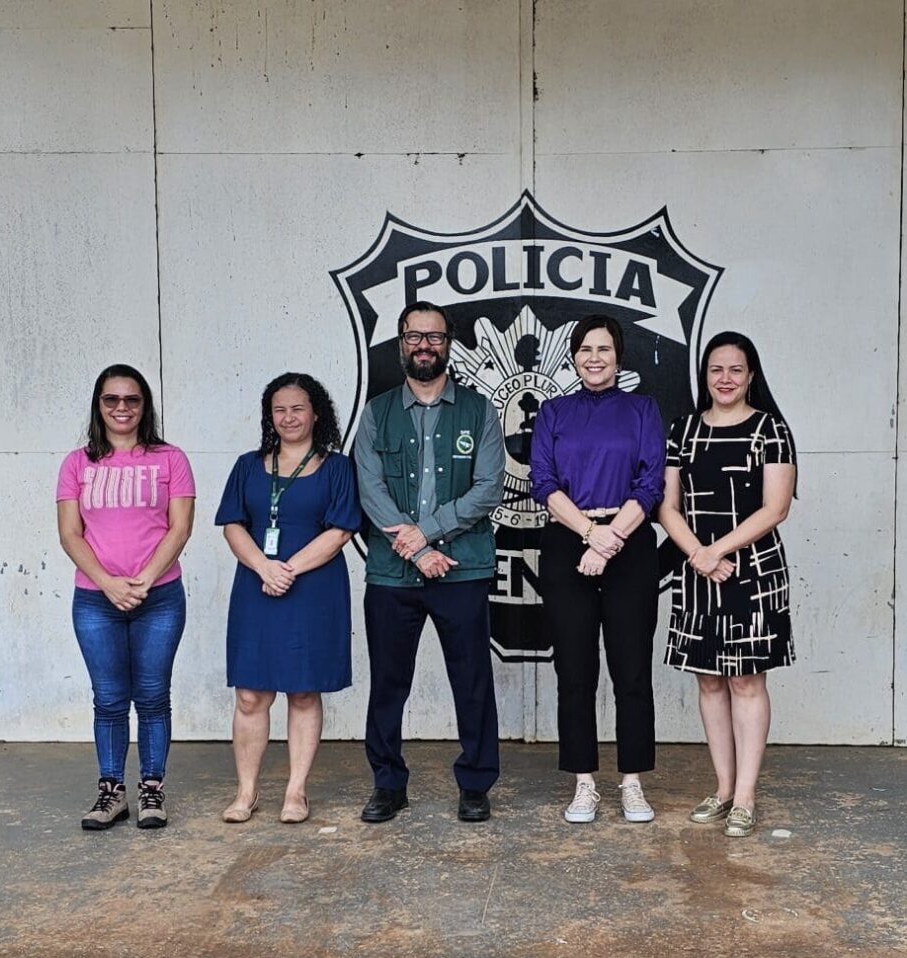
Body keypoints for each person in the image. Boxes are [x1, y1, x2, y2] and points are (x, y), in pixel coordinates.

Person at [354, 301, 505, 823]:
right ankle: (388, 784)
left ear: (449, 343)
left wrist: (432, 534)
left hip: (461, 569)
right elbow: (370, 493)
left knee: (472, 680)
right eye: (414, 336)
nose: (424, 345)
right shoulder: (376, 414)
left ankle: (476, 784)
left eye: (434, 337)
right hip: (392, 573)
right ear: (401, 344)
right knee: (389, 682)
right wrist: (418, 549)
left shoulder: (480, 411)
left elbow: (487, 490)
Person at [659, 331, 796, 838]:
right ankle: (721, 787)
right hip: (698, 571)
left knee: (746, 680)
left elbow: (775, 508)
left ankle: (746, 796)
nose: (725, 379)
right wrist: (699, 552)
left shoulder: (770, 429)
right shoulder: (683, 430)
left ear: (751, 376)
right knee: (709, 680)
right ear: (705, 376)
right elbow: (666, 506)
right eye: (716, 369)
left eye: (735, 370)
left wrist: (719, 550)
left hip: (753, 572)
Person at [530, 314, 665, 824]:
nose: (594, 358)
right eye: (585, 349)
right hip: (570, 541)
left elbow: (651, 483)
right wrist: (590, 535)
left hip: (628, 541)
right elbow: (543, 482)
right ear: (573, 355)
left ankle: (632, 781)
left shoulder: (642, 409)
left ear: (618, 356)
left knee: (631, 668)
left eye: (604, 349)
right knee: (575, 668)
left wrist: (609, 541)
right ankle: (584, 782)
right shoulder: (554, 412)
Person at [215, 373, 360, 825]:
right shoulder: (247, 465)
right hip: (257, 587)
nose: (289, 417)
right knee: (251, 696)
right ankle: (247, 793)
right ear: (269, 416)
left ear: (316, 412)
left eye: (298, 408)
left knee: (302, 691)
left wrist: (288, 569)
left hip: (312, 589)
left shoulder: (337, 467)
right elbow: (233, 525)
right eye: (279, 409)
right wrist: (264, 567)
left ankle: (296, 792)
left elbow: (340, 531)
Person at [57, 364, 195, 831]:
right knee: (110, 699)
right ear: (99, 405)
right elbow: (70, 535)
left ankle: (152, 789)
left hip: (159, 597)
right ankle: (111, 792)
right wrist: (110, 583)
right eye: (111, 400)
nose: (121, 408)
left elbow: (180, 527)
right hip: (96, 599)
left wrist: (144, 579)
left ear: (144, 405)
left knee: (153, 696)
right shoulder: (78, 464)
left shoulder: (170, 459)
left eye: (131, 400)